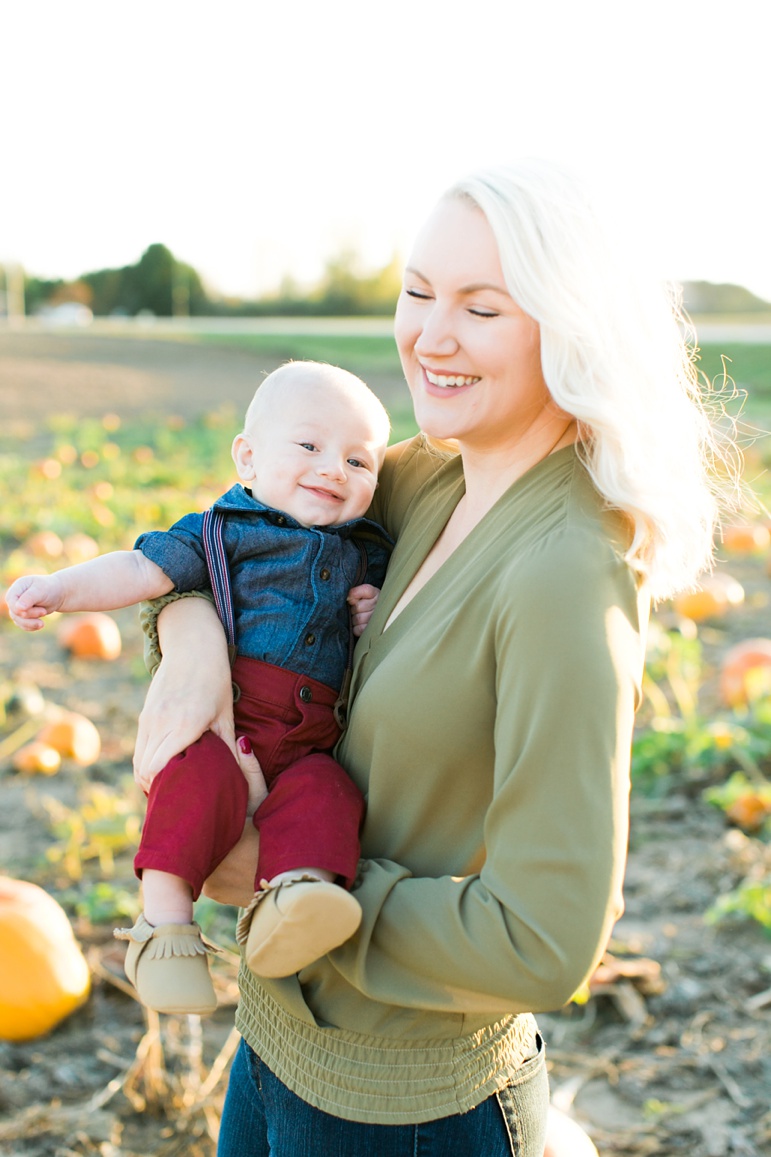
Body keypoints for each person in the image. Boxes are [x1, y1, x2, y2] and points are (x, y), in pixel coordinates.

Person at [132, 160, 731, 1156]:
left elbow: (547, 938)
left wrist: (293, 882)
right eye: (417, 293)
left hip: (407, 1113)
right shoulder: (424, 476)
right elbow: (234, 538)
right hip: (273, 1047)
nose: (429, 336)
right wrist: (189, 642)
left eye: (482, 307)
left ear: (570, 325)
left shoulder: (564, 573)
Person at [6, 360, 392, 1017]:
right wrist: (59, 589)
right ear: (247, 457)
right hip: (227, 719)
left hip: (309, 745)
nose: (333, 468)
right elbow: (139, 567)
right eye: (308, 445)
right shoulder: (221, 531)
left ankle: (295, 898)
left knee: (327, 796)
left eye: (359, 462)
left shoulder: (365, 548)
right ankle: (165, 926)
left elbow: (383, 621)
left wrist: (369, 608)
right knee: (195, 780)